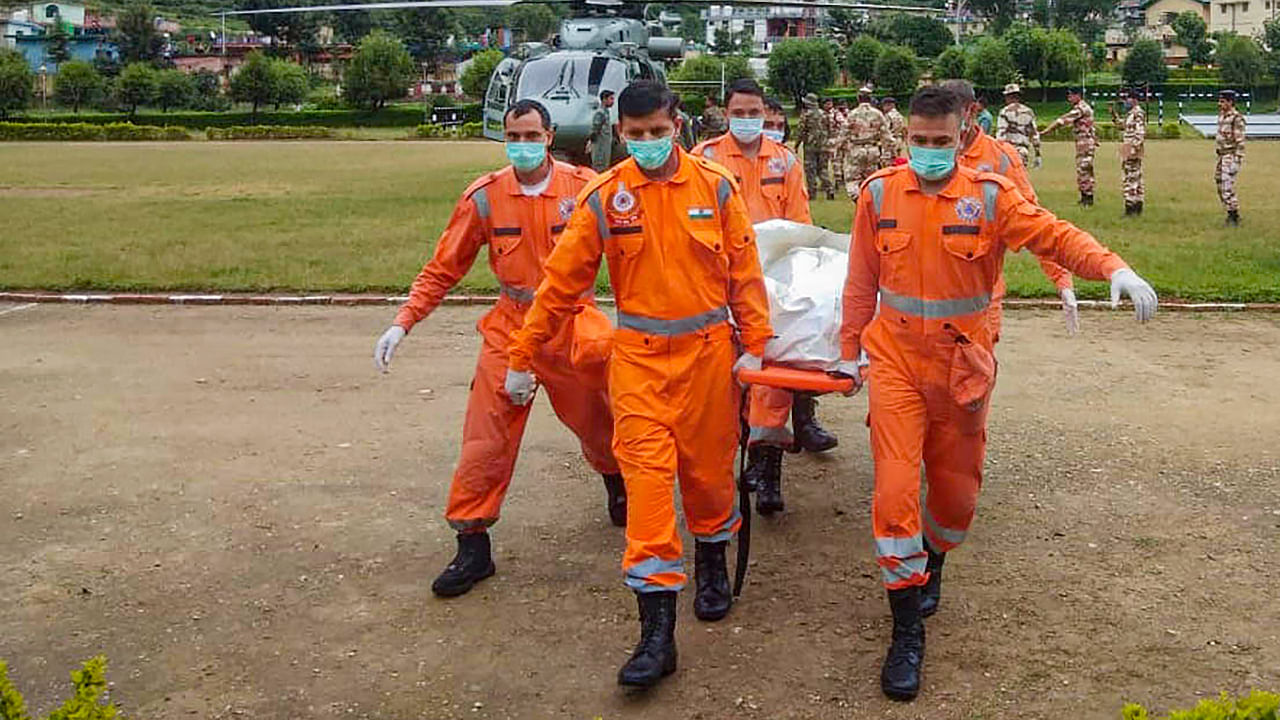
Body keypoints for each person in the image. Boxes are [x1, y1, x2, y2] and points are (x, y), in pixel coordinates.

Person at [841, 86, 1158, 702]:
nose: (928, 153)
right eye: (918, 141)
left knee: (955, 494)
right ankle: (906, 627)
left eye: (940, 142)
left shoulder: (990, 196)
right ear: (906, 138)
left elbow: (1053, 234)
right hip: (897, 363)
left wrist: (1113, 267)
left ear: (963, 137)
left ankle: (934, 555)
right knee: (895, 488)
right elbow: (861, 280)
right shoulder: (879, 194)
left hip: (962, 364)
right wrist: (848, 348)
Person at [506, 80, 773, 690]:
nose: (648, 142)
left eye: (657, 131)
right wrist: (523, 355)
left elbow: (746, 274)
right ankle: (656, 633)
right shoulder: (607, 196)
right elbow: (559, 287)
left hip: (709, 360)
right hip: (639, 365)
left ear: (676, 124)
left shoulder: (716, 187)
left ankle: (711, 562)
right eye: (636, 134)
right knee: (648, 492)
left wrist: (755, 349)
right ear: (620, 132)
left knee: (707, 479)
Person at [371, 100, 627, 599]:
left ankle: (615, 478)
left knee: (599, 420)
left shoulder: (583, 188)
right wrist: (404, 321)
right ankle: (472, 541)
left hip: (571, 322)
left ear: (550, 136)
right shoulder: (485, 198)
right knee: (485, 435)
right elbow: (445, 265)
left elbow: (627, 253)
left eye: (533, 135)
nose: (524, 145)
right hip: (511, 326)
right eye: (515, 136)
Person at [692, 78, 833, 516]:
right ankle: (723, 460)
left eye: (756, 113)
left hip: (769, 283)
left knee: (773, 375)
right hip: (716, 279)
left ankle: (766, 466)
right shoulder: (706, 159)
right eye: (741, 112)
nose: (749, 120)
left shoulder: (785, 161)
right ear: (726, 112)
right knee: (721, 375)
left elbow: (799, 225)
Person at [942, 79, 1079, 337]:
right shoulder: (928, 152)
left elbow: (1033, 222)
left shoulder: (999, 158)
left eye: (952, 113)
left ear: (972, 111)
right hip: (930, 296)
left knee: (978, 370)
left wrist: (1062, 281)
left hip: (982, 293)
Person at [1041, 87, 1097, 206]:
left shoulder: (1081, 108)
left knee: (1084, 169)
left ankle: (1087, 198)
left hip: (1084, 143)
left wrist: (1046, 131)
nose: (1069, 98)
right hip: (1085, 142)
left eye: (1071, 95)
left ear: (1078, 95)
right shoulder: (1084, 107)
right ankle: (1085, 197)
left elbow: (1063, 120)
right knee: (1084, 169)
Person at [844, 86, 895, 202]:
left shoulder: (852, 114)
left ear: (858, 98)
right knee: (872, 179)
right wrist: (889, 152)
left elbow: (844, 133)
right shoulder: (878, 114)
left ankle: (858, 200)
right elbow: (887, 136)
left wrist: (838, 148)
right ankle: (873, 202)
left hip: (856, 149)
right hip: (873, 150)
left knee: (853, 179)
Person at [1215, 89, 1246, 226]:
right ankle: (1230, 210)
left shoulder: (1236, 118)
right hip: (1222, 155)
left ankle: (1234, 215)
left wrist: (1237, 159)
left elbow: (1240, 140)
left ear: (1230, 102)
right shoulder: (1222, 116)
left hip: (1231, 155)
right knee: (1219, 183)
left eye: (1222, 101)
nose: (1219, 104)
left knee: (1227, 185)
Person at [796, 92, 832, 199]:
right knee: (823, 168)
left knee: (810, 169)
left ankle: (812, 192)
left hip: (810, 146)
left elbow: (801, 131)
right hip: (824, 145)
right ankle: (829, 189)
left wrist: (797, 144)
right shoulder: (824, 114)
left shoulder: (806, 115)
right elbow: (829, 129)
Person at [996, 83, 1040, 168]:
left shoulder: (1005, 112)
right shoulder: (1028, 112)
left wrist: (997, 151)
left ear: (1008, 97)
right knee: (1021, 177)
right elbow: (1035, 134)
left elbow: (1001, 133)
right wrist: (1037, 154)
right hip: (1023, 151)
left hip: (1008, 151)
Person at [1119, 88, 1146, 216]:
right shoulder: (1131, 113)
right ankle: (1137, 205)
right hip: (1128, 146)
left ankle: (1131, 207)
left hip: (1132, 148)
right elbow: (1124, 126)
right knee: (1135, 177)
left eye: (1127, 98)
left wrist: (1133, 149)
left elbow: (1140, 132)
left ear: (1134, 99)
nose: (1126, 101)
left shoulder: (1138, 113)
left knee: (1130, 178)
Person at [589, 90, 616, 172]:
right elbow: (595, 129)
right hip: (600, 147)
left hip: (605, 145)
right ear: (604, 99)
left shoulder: (606, 112)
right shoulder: (600, 113)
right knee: (600, 167)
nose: (613, 101)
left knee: (605, 165)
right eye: (611, 99)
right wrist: (591, 142)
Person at [881, 95, 907, 160]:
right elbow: (904, 129)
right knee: (897, 160)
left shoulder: (888, 116)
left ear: (889, 105)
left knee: (889, 162)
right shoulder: (900, 115)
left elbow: (885, 130)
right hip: (899, 140)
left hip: (890, 141)